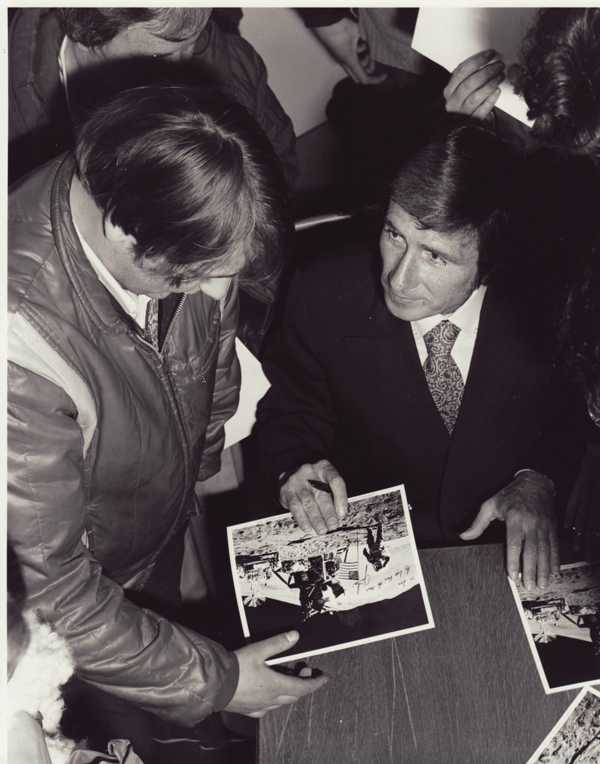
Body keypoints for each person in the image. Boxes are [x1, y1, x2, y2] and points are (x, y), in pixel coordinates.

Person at [7, 84, 327, 762]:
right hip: (92, 601)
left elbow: (207, 365)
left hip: (154, 533)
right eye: (195, 278)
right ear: (124, 234)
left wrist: (205, 480)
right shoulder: (18, 355)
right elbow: (55, 595)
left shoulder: (173, 202)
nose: (215, 296)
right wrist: (220, 682)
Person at [255, 116, 587, 593]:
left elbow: (571, 411)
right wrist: (296, 467)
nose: (400, 279)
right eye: (395, 236)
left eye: (436, 256)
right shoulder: (323, 291)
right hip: (378, 557)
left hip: (509, 552)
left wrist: (538, 479)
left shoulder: (553, 304)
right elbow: (289, 408)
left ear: (491, 264)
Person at [8, 7, 296, 186]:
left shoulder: (230, 63)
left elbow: (277, 178)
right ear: (87, 34)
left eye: (194, 42)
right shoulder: (14, 118)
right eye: (160, 55)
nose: (184, 74)